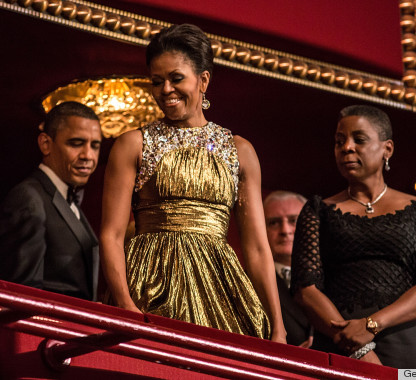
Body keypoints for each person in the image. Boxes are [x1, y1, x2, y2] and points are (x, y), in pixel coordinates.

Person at [100, 24, 285, 342]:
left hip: (222, 293)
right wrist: (125, 304)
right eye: (156, 82)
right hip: (149, 287)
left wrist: (278, 328)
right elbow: (111, 235)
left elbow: (256, 248)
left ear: (203, 80)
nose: (165, 90)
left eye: (176, 78)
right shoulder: (133, 144)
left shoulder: (240, 150)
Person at [291, 105, 416, 368]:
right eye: (339, 141)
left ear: (387, 149)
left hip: (407, 345)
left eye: (359, 139)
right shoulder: (318, 210)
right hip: (340, 342)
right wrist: (354, 345)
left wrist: (372, 326)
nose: (346, 147)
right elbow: (305, 290)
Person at [0, 101, 101, 301]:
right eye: (76, 143)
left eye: (95, 146)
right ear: (45, 144)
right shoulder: (28, 198)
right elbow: (20, 294)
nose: (88, 156)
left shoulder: (66, 198)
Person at [263, 191, 312, 347]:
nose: (285, 230)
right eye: (274, 223)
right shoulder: (248, 283)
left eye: (294, 221)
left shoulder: (337, 274)